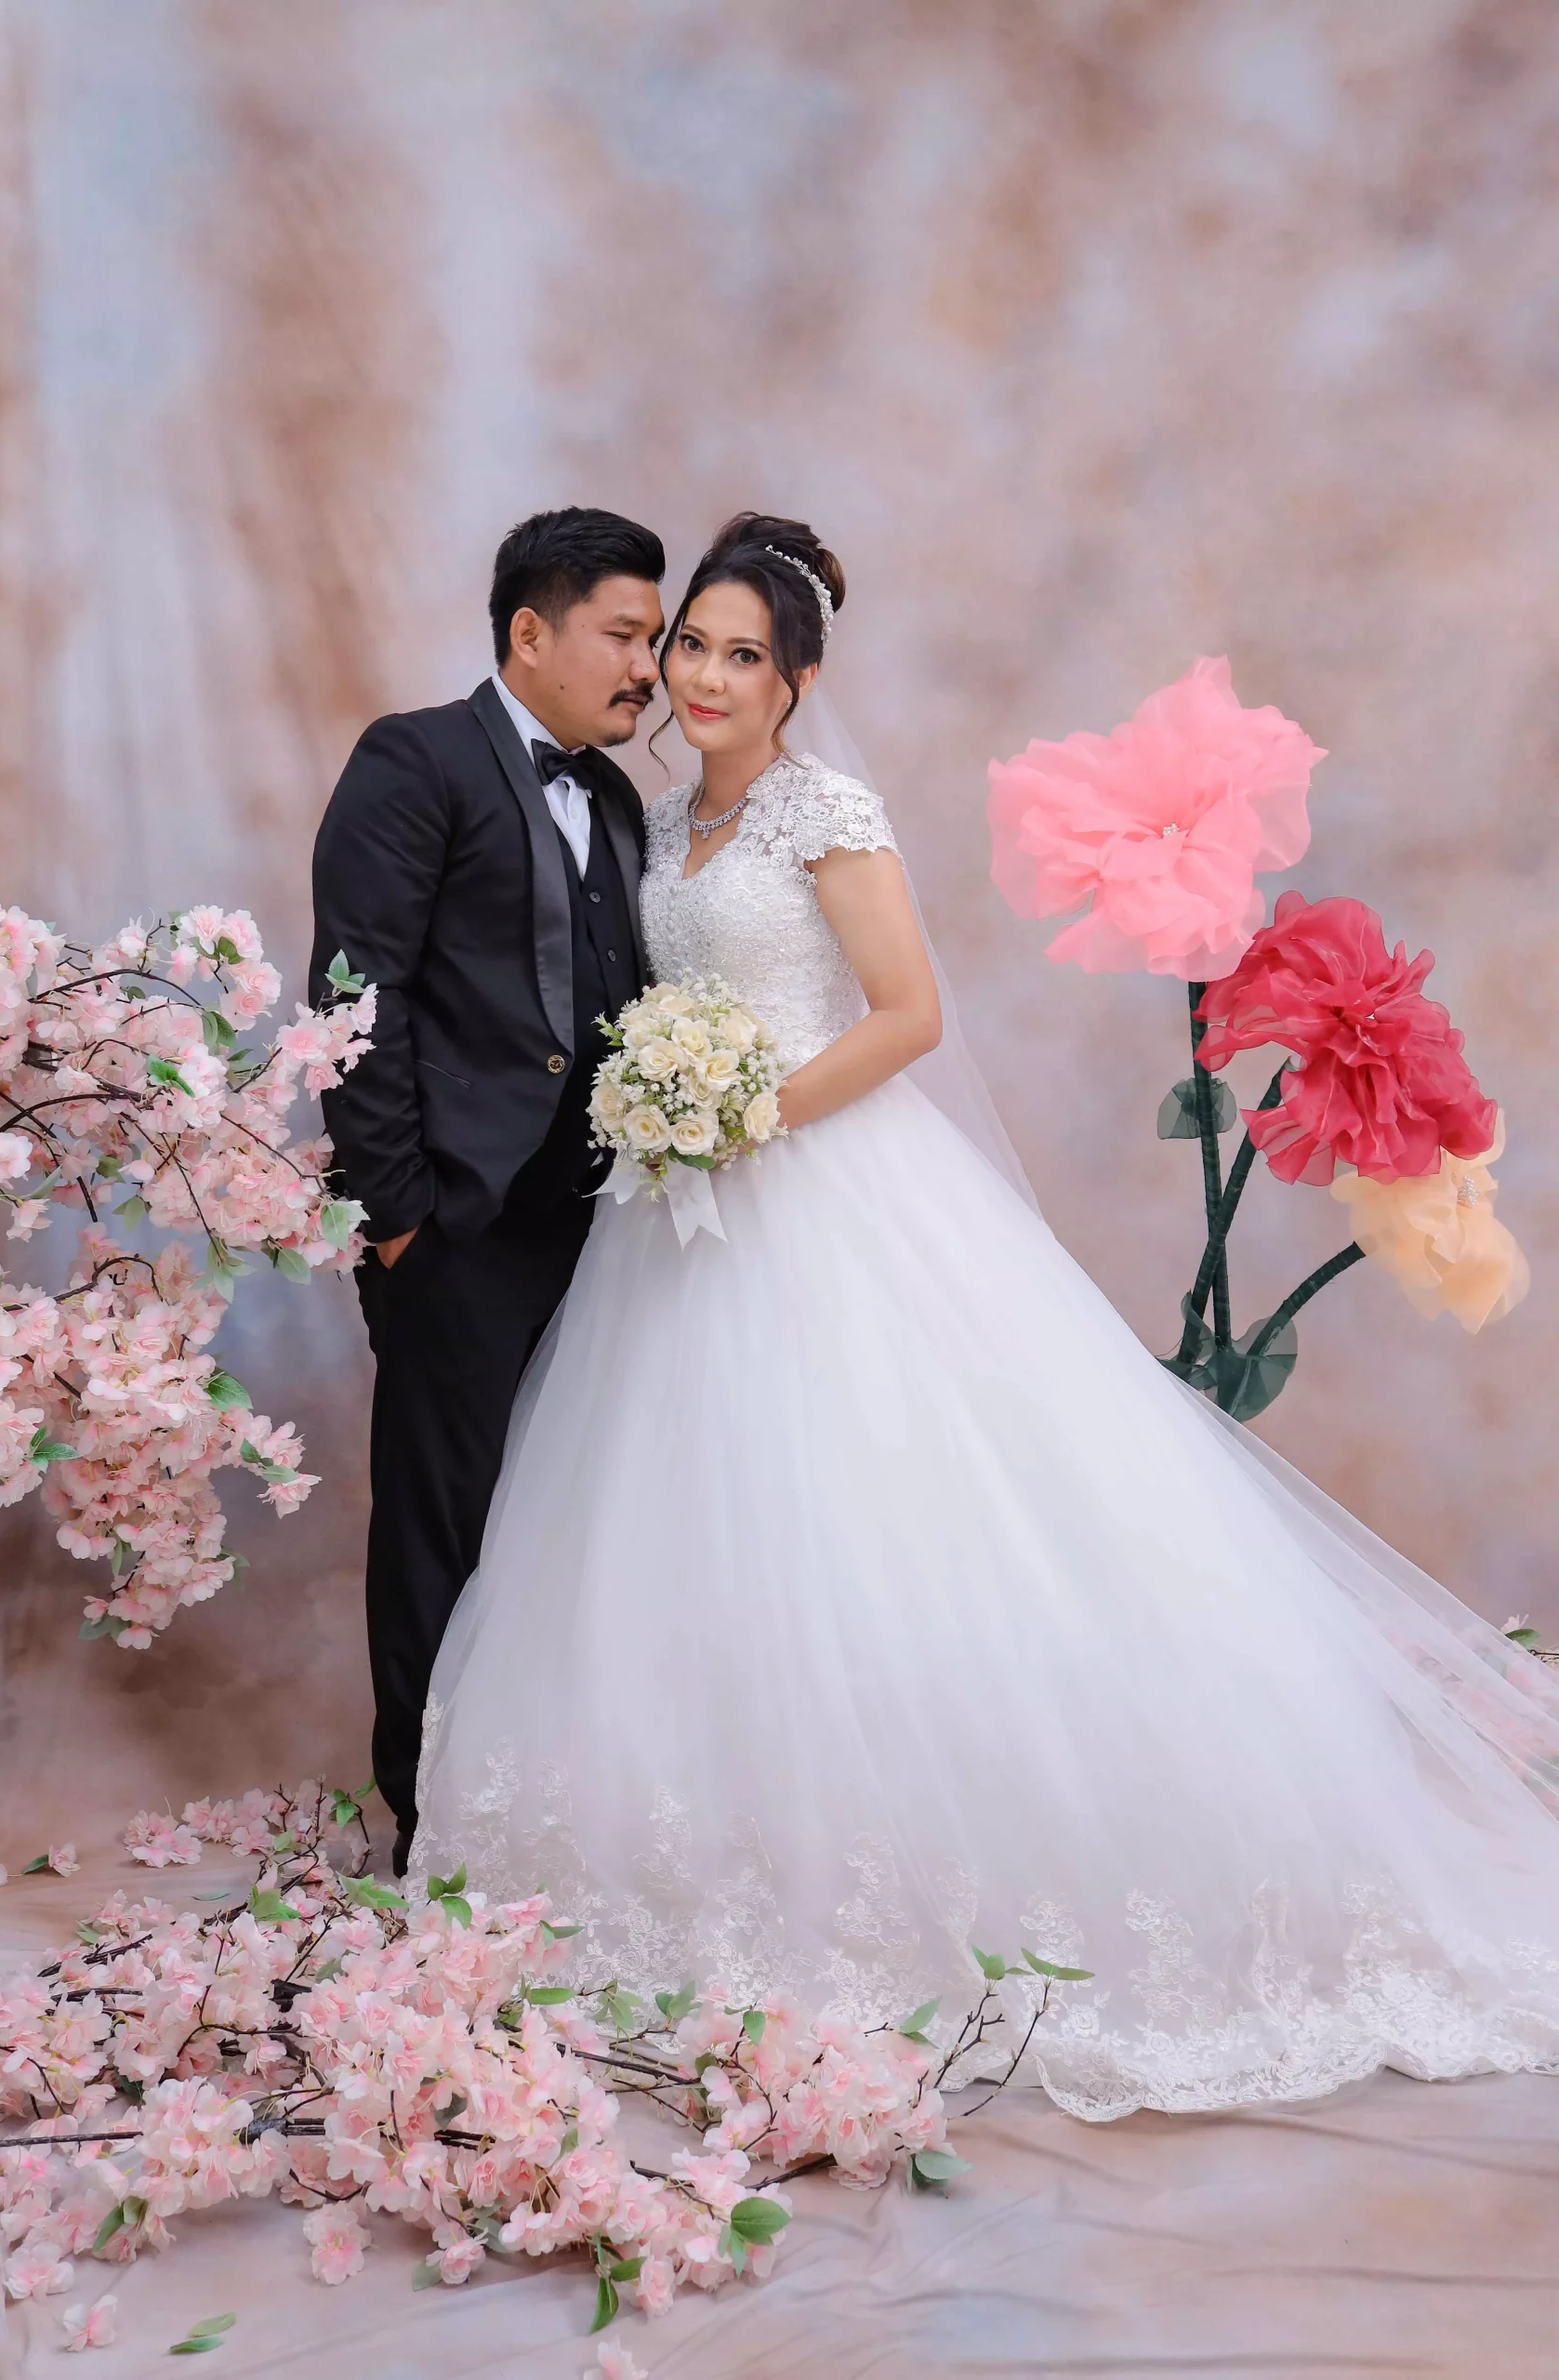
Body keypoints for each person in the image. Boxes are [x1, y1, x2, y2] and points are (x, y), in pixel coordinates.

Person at [411, 510, 1559, 2119]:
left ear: (798, 684)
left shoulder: (827, 814)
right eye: (689, 647)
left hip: (814, 1181)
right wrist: (671, 1113)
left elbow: (908, 1016)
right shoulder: (654, 822)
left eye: (744, 655)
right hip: (675, 1213)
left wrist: (747, 1113)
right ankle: (726, 1843)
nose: (706, 676)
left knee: (886, 1512)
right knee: (686, 1521)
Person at [309, 506, 665, 1874]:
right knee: (442, 1526)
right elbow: (357, 996)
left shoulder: (617, 801)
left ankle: (550, 1820)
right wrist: (400, 1215)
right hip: (459, 1225)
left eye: (652, 638)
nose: (647, 669)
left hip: (609, 1230)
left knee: (579, 1519)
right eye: (623, 635)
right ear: (530, 631)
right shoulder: (416, 759)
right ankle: (431, 1829)